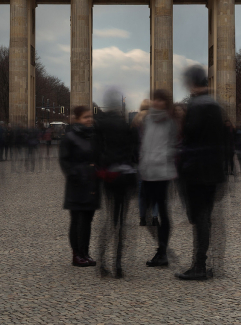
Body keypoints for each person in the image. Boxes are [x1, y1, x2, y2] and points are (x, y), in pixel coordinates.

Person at [176, 65, 228, 280]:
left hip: (197, 170)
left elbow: (190, 138)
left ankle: (199, 265)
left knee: (199, 218)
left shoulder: (196, 106)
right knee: (205, 217)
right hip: (214, 170)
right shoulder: (215, 105)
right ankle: (206, 263)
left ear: (191, 83)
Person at [93, 90, 139, 278]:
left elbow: (95, 152)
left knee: (109, 220)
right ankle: (118, 265)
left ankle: (102, 262)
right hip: (125, 176)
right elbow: (134, 151)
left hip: (109, 177)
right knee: (122, 221)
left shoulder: (100, 124)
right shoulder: (125, 124)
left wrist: (101, 168)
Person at [138, 88, 178, 268]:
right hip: (147, 171)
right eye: (155, 99)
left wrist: (162, 158)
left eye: (161, 100)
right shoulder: (147, 120)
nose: (157, 102)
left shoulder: (170, 121)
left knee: (162, 212)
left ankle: (162, 252)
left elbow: (173, 145)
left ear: (166, 102)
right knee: (145, 213)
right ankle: (161, 248)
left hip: (162, 172)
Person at [59, 105, 99, 267]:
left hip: (91, 183)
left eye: (90, 116)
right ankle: (77, 254)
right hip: (77, 184)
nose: (89, 119)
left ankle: (85, 252)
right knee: (77, 220)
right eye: (85, 117)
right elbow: (64, 161)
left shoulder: (94, 136)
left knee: (88, 220)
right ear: (77, 119)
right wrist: (75, 175)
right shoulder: (69, 137)